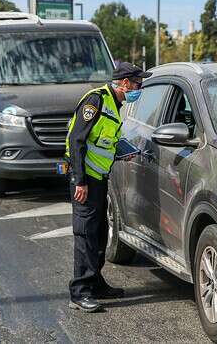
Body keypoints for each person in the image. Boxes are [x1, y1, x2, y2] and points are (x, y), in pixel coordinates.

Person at [65, 62, 152, 312]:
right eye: (137, 83)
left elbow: (102, 142)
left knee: (101, 232)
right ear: (125, 83)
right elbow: (76, 140)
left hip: (99, 177)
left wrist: (119, 152)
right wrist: (80, 180)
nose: (139, 88)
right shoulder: (96, 102)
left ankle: (95, 282)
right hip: (85, 180)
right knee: (86, 235)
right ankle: (80, 292)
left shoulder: (115, 104)